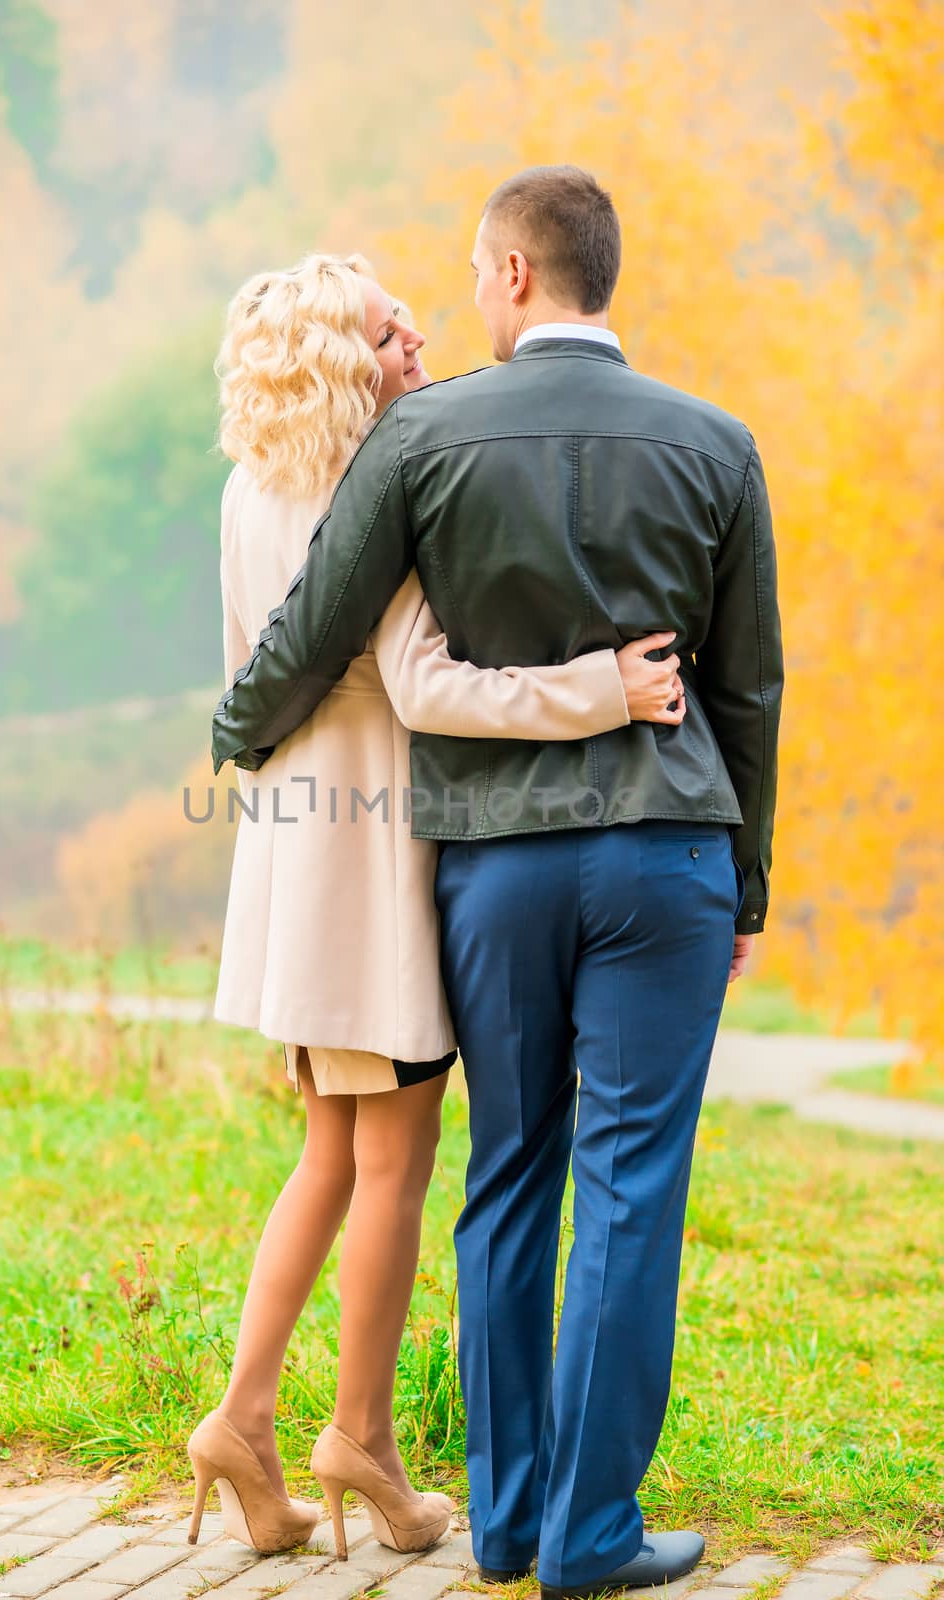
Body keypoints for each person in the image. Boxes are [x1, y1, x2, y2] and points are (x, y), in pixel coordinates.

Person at [211, 166, 784, 1599]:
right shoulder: (719, 445)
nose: (463, 306)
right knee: (631, 1184)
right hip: (667, 853)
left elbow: (313, 626)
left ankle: (514, 1521)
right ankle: (596, 1533)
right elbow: (749, 691)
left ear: (515, 276)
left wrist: (234, 728)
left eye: (471, 277)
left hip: (494, 870)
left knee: (508, 1170)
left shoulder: (431, 435)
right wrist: (748, 886)